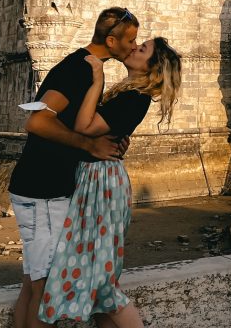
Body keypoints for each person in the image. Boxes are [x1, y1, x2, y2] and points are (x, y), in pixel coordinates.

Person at [9, 7, 140, 328]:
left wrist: (109, 139)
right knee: (45, 290)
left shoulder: (89, 68)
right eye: (132, 40)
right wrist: (88, 145)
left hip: (38, 186)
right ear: (112, 40)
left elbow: (75, 122)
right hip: (43, 189)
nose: (135, 47)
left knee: (32, 283)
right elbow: (37, 120)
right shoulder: (78, 69)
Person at [40, 37, 181, 327]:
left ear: (152, 67)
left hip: (101, 183)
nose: (134, 47)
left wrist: (96, 79)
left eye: (142, 49)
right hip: (97, 179)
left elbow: (84, 127)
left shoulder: (133, 98)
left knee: (104, 287)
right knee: (100, 286)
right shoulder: (129, 95)